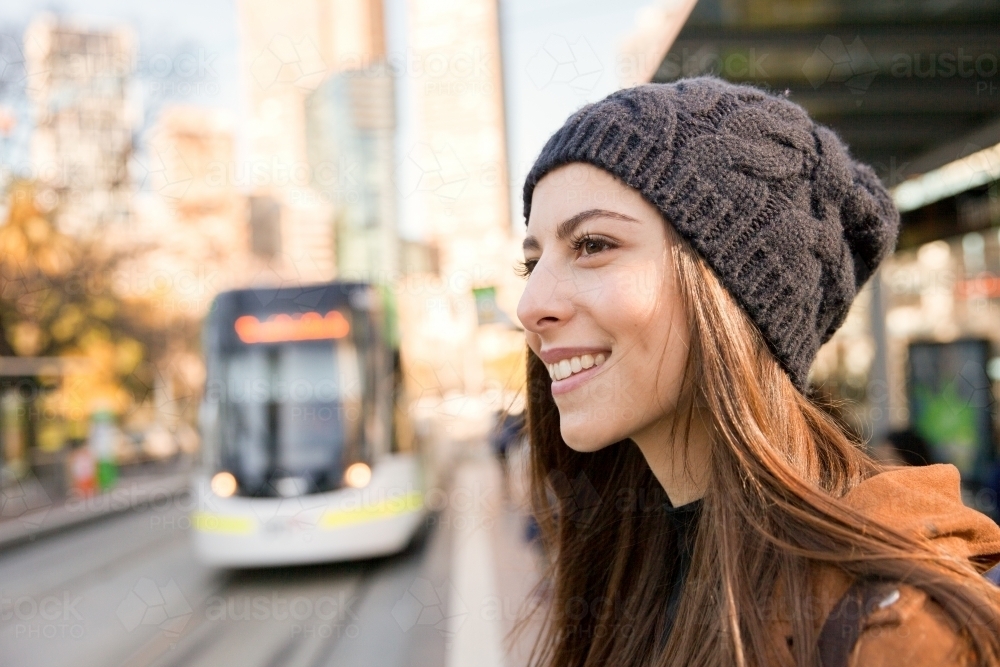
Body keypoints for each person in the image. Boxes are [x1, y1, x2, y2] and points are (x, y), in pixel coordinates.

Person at [514, 78, 1000, 667]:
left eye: (592, 244)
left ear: (733, 294)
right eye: (533, 262)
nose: (530, 305)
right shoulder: (622, 573)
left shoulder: (904, 636)